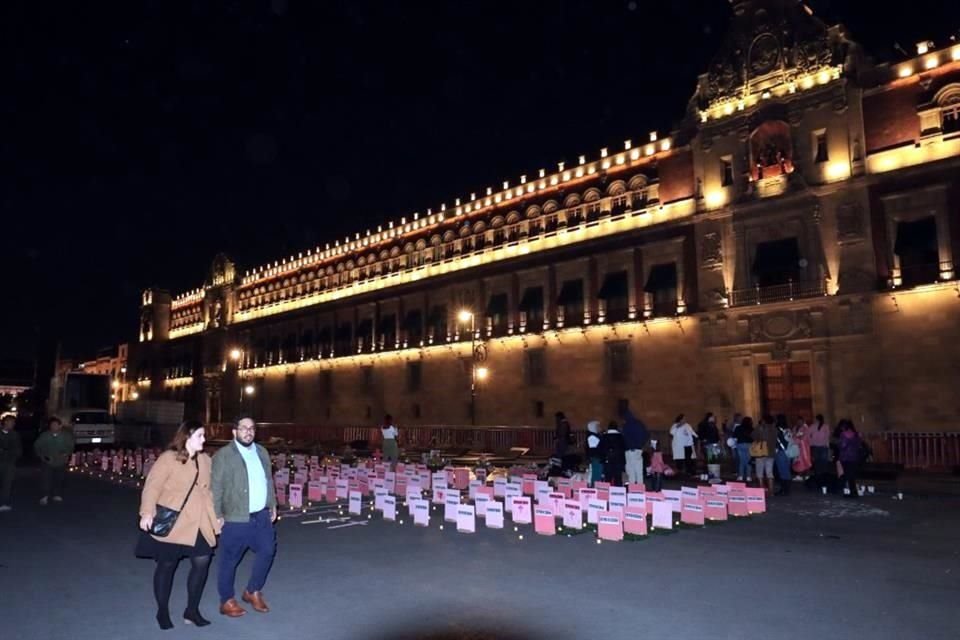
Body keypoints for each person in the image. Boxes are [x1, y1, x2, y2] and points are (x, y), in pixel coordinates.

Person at [136, 420, 220, 630]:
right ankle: (162, 610)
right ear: (187, 437)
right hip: (173, 521)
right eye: (200, 435)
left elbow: (210, 490)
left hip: (199, 520)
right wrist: (147, 512)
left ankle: (191, 610)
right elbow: (152, 487)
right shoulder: (168, 458)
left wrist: (218, 515)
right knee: (167, 565)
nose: (204, 439)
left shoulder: (205, 460)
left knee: (202, 561)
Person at [212, 417, 278, 618]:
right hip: (235, 517)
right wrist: (217, 514)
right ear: (234, 432)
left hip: (261, 516)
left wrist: (273, 504)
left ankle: (252, 591)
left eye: (252, 428)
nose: (248, 432)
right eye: (244, 428)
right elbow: (216, 487)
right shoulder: (223, 455)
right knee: (229, 560)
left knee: (267, 551)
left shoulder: (262, 451)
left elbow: (268, 480)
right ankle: (227, 600)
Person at [34, 417, 75, 505]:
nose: (54, 427)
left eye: (56, 425)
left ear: (60, 426)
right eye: (52, 425)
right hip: (48, 460)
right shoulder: (45, 435)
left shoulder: (66, 436)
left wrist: (66, 453)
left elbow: (71, 446)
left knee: (59, 478)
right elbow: (37, 446)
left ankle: (57, 494)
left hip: (61, 461)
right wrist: (42, 455)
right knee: (46, 478)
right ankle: (45, 495)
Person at [621, 406, 649, 486]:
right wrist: (641, 444)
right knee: (639, 469)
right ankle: (640, 487)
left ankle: (632, 487)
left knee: (631, 470)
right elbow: (647, 434)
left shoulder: (626, 426)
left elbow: (624, 438)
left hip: (629, 450)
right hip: (638, 449)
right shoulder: (640, 423)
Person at [0, 413, 22, 512]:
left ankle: (4, 502)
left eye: (13, 423)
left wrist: (12, 455)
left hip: (9, 463)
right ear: (4, 422)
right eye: (9, 422)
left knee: (7, 483)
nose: (11, 424)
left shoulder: (15, 434)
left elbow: (18, 450)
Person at [837, 419, 865, 498]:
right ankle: (854, 492)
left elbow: (842, 446)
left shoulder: (844, 434)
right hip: (854, 457)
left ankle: (851, 491)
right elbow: (859, 444)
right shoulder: (856, 434)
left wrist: (838, 443)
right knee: (851, 476)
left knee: (848, 475)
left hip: (846, 457)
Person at [752, 415, 778, 495]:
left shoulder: (760, 428)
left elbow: (753, 436)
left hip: (761, 452)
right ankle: (771, 491)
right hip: (771, 453)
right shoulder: (775, 429)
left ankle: (761, 491)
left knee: (759, 472)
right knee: (769, 472)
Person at [808, 414, 831, 488]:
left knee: (818, 464)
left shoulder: (814, 426)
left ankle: (818, 479)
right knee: (823, 464)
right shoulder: (825, 426)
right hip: (823, 447)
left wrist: (811, 442)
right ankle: (823, 479)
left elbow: (807, 434)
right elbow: (827, 436)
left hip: (816, 446)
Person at [773, 414, 793, 496]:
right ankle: (787, 489)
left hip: (780, 452)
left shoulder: (777, 429)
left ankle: (783, 489)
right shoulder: (788, 429)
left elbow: (776, 441)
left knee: (782, 471)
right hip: (788, 452)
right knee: (786, 471)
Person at [602, 420, 626, 486]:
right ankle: (618, 493)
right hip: (618, 460)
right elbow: (624, 448)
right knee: (618, 478)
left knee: (608, 478)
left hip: (607, 460)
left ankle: (606, 494)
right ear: (616, 428)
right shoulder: (620, 437)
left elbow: (601, 448)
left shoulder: (604, 436)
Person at [585, 421, 604, 487]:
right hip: (596, 458)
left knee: (597, 473)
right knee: (596, 474)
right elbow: (594, 449)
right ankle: (595, 487)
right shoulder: (592, 437)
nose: (599, 428)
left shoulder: (595, 436)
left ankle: (596, 487)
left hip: (597, 457)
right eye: (597, 426)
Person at [734, 416, 754, 481]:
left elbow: (734, 437)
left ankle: (741, 476)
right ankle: (748, 476)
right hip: (749, 445)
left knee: (742, 461)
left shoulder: (738, 428)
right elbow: (754, 437)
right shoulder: (751, 428)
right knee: (748, 461)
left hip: (740, 444)